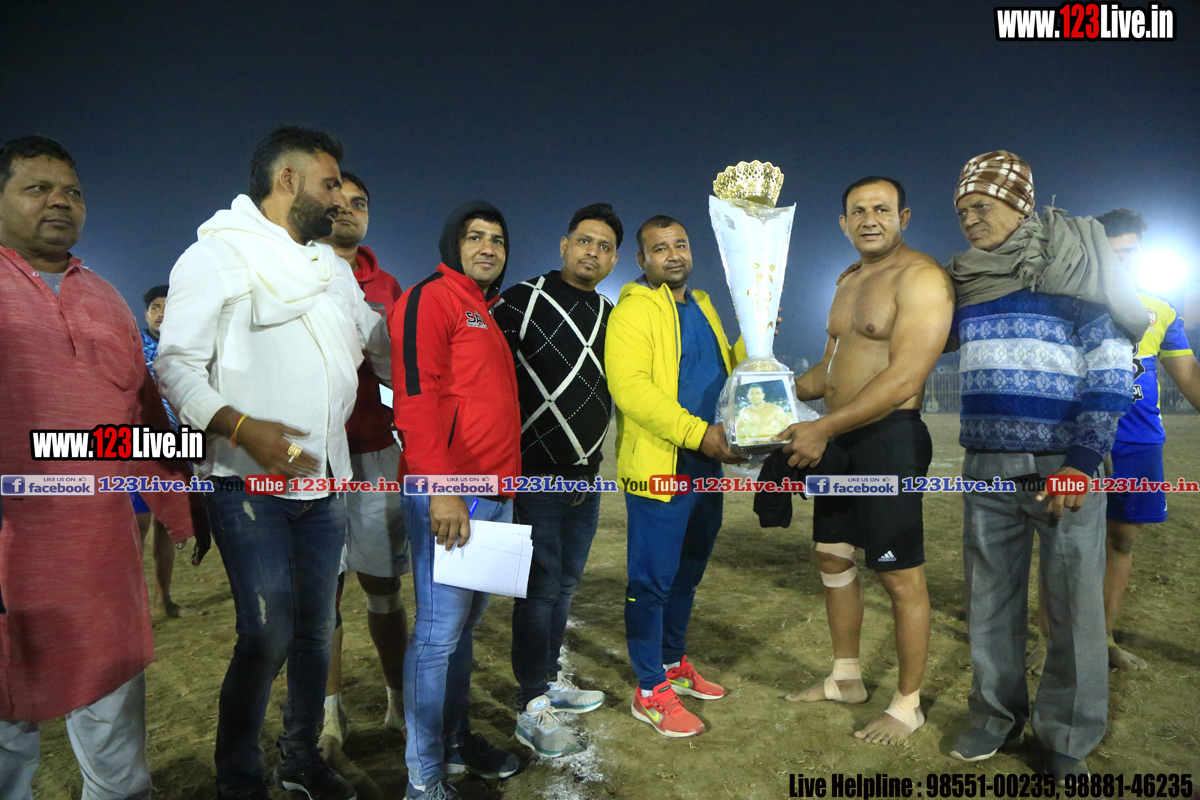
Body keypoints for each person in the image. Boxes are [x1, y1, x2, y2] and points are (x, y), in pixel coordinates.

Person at [157, 126, 391, 800]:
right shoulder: (216, 256)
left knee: (317, 632)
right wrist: (242, 428)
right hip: (247, 485)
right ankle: (238, 778)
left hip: (326, 484)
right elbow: (176, 365)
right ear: (287, 180)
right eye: (329, 184)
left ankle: (301, 757)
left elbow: (377, 349)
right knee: (266, 635)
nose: (340, 199)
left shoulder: (329, 268)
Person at [0, 135, 208, 800]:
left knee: (115, 740)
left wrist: (180, 508)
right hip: (10, 560)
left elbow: (142, 425)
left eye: (72, 192)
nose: (59, 201)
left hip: (100, 559)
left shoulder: (107, 300)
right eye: (37, 188)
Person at [942, 151, 1143, 781]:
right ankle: (994, 718)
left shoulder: (1074, 269)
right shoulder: (966, 283)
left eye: (983, 206)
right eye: (962, 210)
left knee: (1074, 608)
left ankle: (1068, 737)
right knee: (989, 602)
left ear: (1019, 204)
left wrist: (1082, 462)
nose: (971, 220)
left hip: (1063, 467)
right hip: (987, 465)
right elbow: (916, 334)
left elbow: (1111, 371)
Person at [779, 177, 953, 745]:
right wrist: (765, 388)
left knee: (899, 575)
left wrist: (821, 428)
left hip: (887, 440)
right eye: (858, 211)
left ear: (904, 216)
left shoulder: (921, 277)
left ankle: (907, 705)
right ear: (843, 222)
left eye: (881, 209)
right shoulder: (848, 280)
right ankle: (846, 678)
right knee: (832, 557)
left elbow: (905, 376)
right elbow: (826, 373)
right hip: (839, 442)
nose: (869, 219)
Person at [1026, 208, 1200, 674]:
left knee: (1121, 540)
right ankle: (1049, 642)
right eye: (1115, 252)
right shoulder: (1068, 300)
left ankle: (1102, 639)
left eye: (1132, 253)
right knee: (1061, 541)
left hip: (1138, 444)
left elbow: (1188, 376)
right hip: (1078, 443)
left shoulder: (1161, 309)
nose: (1124, 261)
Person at [389, 200, 522, 799]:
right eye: (475, 237)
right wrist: (441, 488)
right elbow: (415, 397)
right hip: (451, 494)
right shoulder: (431, 297)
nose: (489, 247)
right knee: (438, 635)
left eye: (498, 239)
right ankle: (422, 779)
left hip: (493, 494)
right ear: (453, 244)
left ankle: (454, 744)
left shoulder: (483, 309)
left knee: (463, 631)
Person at [605, 215, 743, 739]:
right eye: (659, 248)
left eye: (680, 244)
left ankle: (672, 662)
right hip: (661, 467)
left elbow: (723, 372)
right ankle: (648, 690)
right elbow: (632, 389)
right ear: (642, 260)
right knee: (652, 581)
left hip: (706, 466)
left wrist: (755, 345)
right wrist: (697, 433)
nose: (673, 255)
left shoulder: (704, 304)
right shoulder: (633, 310)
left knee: (688, 572)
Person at [493, 203, 621, 757]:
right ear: (565, 245)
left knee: (564, 585)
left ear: (613, 259)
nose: (593, 252)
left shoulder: (611, 314)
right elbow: (482, 371)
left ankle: (549, 678)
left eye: (605, 247)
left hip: (586, 479)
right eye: (585, 241)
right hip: (535, 478)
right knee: (539, 591)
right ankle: (531, 701)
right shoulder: (521, 300)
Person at [315, 172, 409, 754]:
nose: (348, 210)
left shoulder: (388, 284)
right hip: (312, 460)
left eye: (360, 203)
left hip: (374, 454)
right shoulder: (295, 271)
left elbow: (399, 369)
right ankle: (330, 718)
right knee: (321, 596)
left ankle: (399, 702)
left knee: (383, 588)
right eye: (339, 201)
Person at [131, 283, 203, 618]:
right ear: (146, 314)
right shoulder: (131, 344)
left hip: (180, 444)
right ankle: (131, 608)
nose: (161, 313)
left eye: (167, 307)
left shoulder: (188, 348)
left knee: (168, 522)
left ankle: (164, 601)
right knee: (135, 525)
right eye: (155, 308)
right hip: (139, 445)